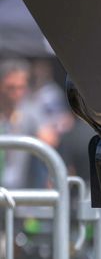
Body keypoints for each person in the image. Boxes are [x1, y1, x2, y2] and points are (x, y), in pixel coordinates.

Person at [0, 57, 58, 188]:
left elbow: (49, 139)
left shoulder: (31, 110)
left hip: (23, 189)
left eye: (21, 87)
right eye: (10, 87)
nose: (16, 93)